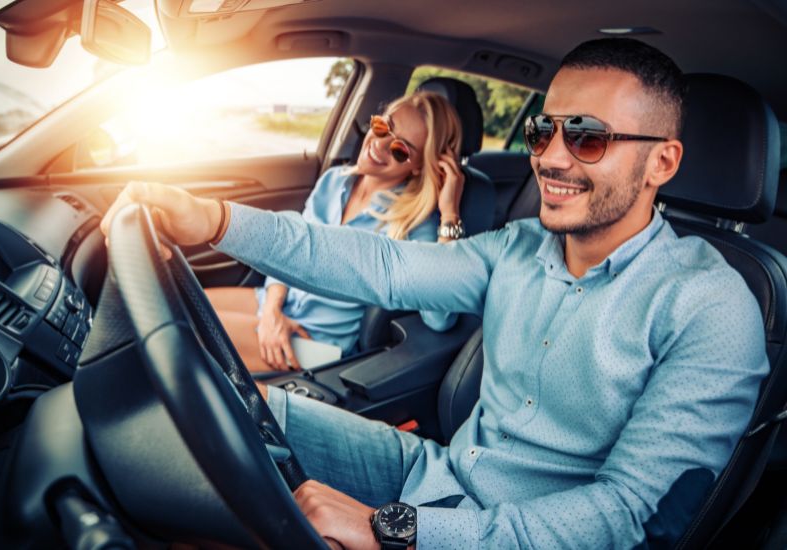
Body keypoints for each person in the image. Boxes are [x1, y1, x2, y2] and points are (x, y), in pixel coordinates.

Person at [101, 38, 769, 549]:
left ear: (663, 162)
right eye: (545, 130)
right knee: (232, 404)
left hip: (514, 535)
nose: (553, 158)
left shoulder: (712, 306)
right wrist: (213, 220)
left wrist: (395, 529)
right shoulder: (518, 248)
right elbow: (381, 265)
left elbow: (625, 516)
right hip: (437, 472)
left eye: (589, 137)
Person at [205, 91, 465, 371]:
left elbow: (440, 318)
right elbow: (287, 248)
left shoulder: (414, 224)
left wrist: (449, 213)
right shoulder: (333, 181)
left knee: (188, 331)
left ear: (419, 167)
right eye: (382, 127)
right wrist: (271, 311)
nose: (379, 144)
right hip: (279, 304)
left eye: (401, 149)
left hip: (314, 341)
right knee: (182, 300)